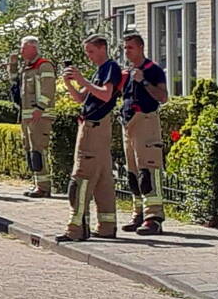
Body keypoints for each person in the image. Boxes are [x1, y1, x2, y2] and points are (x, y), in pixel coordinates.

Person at [57, 35, 122, 242]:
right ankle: (106, 225)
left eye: (91, 51)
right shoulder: (99, 71)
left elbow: (105, 94)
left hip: (93, 130)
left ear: (103, 48)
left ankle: (76, 228)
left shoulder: (110, 68)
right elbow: (81, 97)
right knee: (103, 180)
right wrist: (69, 83)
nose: (89, 56)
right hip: (94, 128)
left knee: (81, 177)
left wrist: (82, 79)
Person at [119, 33, 168, 236]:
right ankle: (138, 212)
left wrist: (145, 82)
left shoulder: (153, 70)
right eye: (125, 48)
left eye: (130, 47)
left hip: (146, 122)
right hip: (129, 124)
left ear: (140, 48)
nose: (126, 51)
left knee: (148, 170)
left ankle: (153, 217)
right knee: (133, 173)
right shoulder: (128, 72)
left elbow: (163, 97)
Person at [7, 36, 56, 198]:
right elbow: (14, 84)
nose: (21, 51)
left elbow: (48, 89)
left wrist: (40, 108)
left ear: (33, 48)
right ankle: (37, 183)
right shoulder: (27, 68)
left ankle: (43, 187)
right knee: (30, 151)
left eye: (23, 48)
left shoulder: (44, 66)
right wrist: (12, 66)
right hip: (27, 117)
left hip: (39, 116)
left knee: (38, 150)